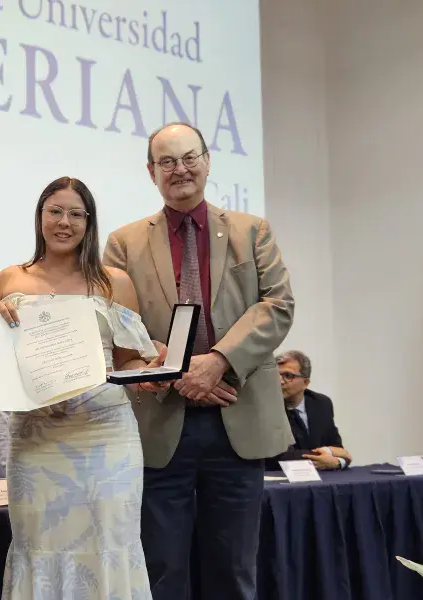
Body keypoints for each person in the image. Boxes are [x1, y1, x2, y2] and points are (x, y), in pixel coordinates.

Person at [103, 122, 295, 600]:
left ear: (207, 161)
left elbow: (277, 305)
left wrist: (218, 361)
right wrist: (172, 368)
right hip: (160, 422)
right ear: (151, 172)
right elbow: (114, 321)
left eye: (189, 157)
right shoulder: (123, 243)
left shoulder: (254, 231)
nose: (180, 169)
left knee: (234, 571)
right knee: (162, 570)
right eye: (166, 161)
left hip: (238, 418)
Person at [0, 176, 166, 599]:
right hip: (36, 438)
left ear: (89, 222)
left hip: (105, 435)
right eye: (55, 211)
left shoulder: (115, 282)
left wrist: (156, 365)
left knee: (110, 545)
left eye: (75, 213)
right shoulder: (10, 278)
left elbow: (129, 362)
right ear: (40, 217)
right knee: (39, 546)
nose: (64, 222)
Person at [267, 350, 351, 470]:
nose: (279, 381)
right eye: (275, 375)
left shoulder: (321, 404)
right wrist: (329, 453)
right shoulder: (266, 406)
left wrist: (339, 461)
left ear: (305, 382)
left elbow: (337, 447)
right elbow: (281, 455)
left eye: (288, 376)